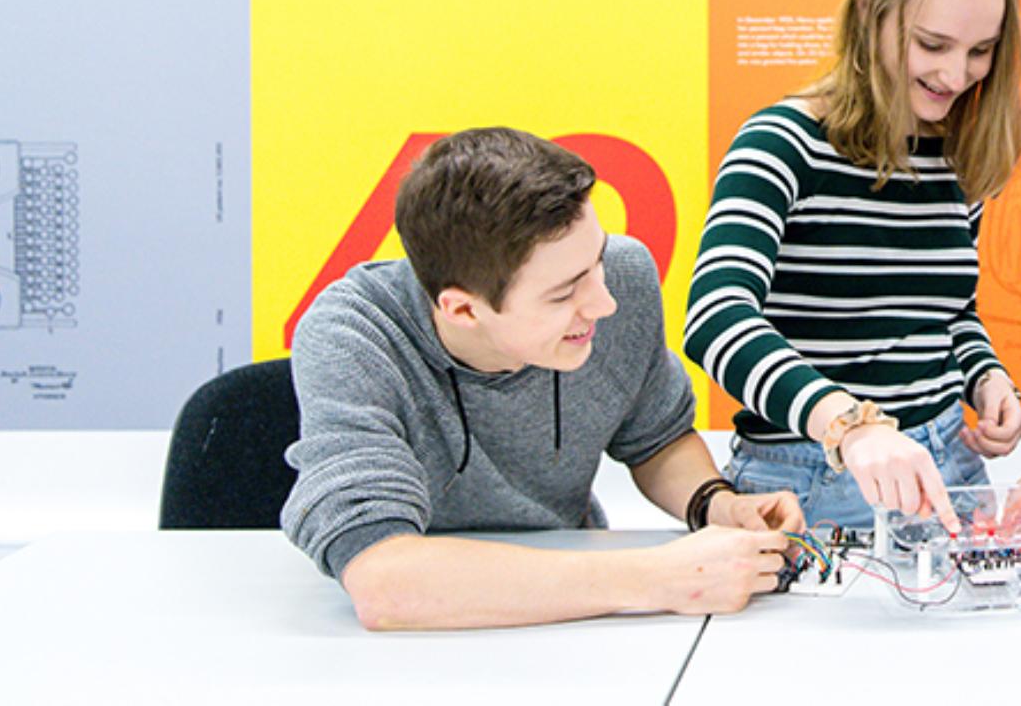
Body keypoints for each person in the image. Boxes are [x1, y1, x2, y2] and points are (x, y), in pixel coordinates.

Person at [281, 127, 802, 629]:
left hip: (574, 615)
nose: (603, 302)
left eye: (597, 262)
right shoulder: (352, 337)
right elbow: (384, 583)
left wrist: (715, 504)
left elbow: (656, 440)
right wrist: (660, 579)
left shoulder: (623, 277)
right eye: (563, 293)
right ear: (463, 310)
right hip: (425, 633)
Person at [686, 0, 1021, 532]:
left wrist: (986, 378)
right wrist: (849, 426)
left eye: (981, 51)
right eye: (932, 44)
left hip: (949, 468)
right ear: (871, 9)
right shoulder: (782, 143)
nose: (956, 74)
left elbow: (949, 314)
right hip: (812, 477)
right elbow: (716, 319)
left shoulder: (957, 156)